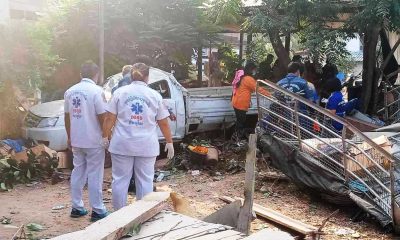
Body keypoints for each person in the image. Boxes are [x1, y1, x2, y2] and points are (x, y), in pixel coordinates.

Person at [102, 63, 174, 210]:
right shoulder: (155, 95)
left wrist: (105, 136)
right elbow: (163, 123)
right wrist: (169, 142)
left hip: (122, 144)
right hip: (146, 145)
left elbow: (109, 118)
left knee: (120, 181)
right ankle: (141, 215)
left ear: (131, 75)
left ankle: (118, 216)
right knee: (145, 181)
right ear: (147, 77)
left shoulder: (120, 93)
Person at [64, 61, 108, 221]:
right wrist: (106, 137)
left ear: (81, 74)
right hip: (94, 140)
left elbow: (67, 116)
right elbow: (103, 117)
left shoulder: (69, 91)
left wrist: (69, 137)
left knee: (78, 172)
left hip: (77, 139)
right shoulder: (97, 91)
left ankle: (76, 207)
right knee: (95, 174)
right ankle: (98, 210)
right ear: (96, 75)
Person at [231, 62, 271, 139]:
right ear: (251, 69)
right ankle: (237, 139)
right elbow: (258, 89)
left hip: (236, 102)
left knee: (240, 122)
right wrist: (269, 95)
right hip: (241, 104)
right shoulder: (248, 79)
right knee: (240, 123)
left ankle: (237, 138)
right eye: (254, 69)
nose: (255, 71)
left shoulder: (243, 77)